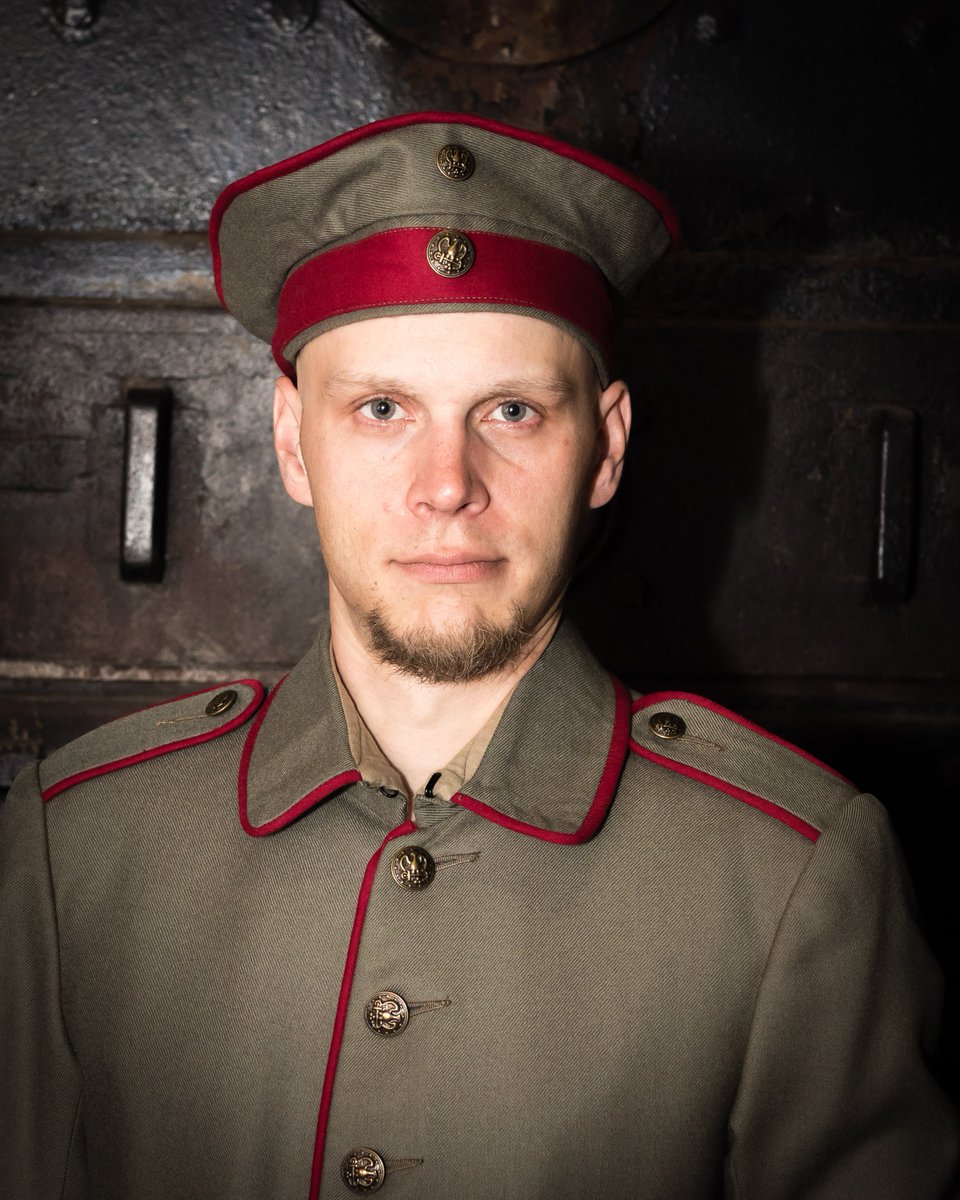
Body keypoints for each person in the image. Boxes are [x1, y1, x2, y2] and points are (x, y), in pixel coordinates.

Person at [1, 111, 956, 1200]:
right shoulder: (77, 848)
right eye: (381, 409)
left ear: (607, 447)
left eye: (510, 410)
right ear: (290, 441)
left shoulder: (793, 875)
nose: (447, 484)